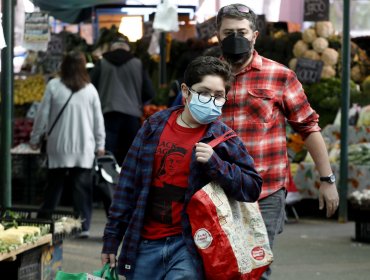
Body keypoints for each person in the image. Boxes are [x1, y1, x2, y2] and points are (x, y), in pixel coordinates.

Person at [100, 56, 263, 279]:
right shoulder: (154, 126)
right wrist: (111, 240)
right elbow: (127, 185)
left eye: (218, 96)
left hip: (191, 245)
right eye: (204, 93)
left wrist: (217, 164)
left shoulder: (224, 139)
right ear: (186, 92)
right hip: (145, 244)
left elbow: (253, 187)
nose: (211, 101)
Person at [215, 3, 340, 279]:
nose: (235, 38)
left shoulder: (279, 76)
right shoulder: (208, 77)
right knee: (217, 263)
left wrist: (327, 180)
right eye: (228, 33)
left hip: (266, 190)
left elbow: (308, 127)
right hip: (215, 189)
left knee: (257, 266)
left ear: (254, 36)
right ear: (217, 35)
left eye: (242, 32)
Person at [30, 51, 106, 238]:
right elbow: (98, 120)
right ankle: (84, 227)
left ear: (63, 66)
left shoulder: (54, 86)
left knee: (53, 188)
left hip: (58, 146)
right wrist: (100, 144)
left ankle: (44, 221)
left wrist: (35, 138)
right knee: (82, 190)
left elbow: (42, 115)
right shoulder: (90, 90)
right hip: (84, 149)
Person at [89, 36, 156, 165]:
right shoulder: (137, 63)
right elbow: (149, 92)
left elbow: (91, 88)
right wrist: (137, 102)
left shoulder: (102, 63)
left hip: (108, 114)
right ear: (127, 48)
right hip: (131, 116)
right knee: (130, 156)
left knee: (108, 155)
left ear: (112, 47)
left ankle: (108, 182)